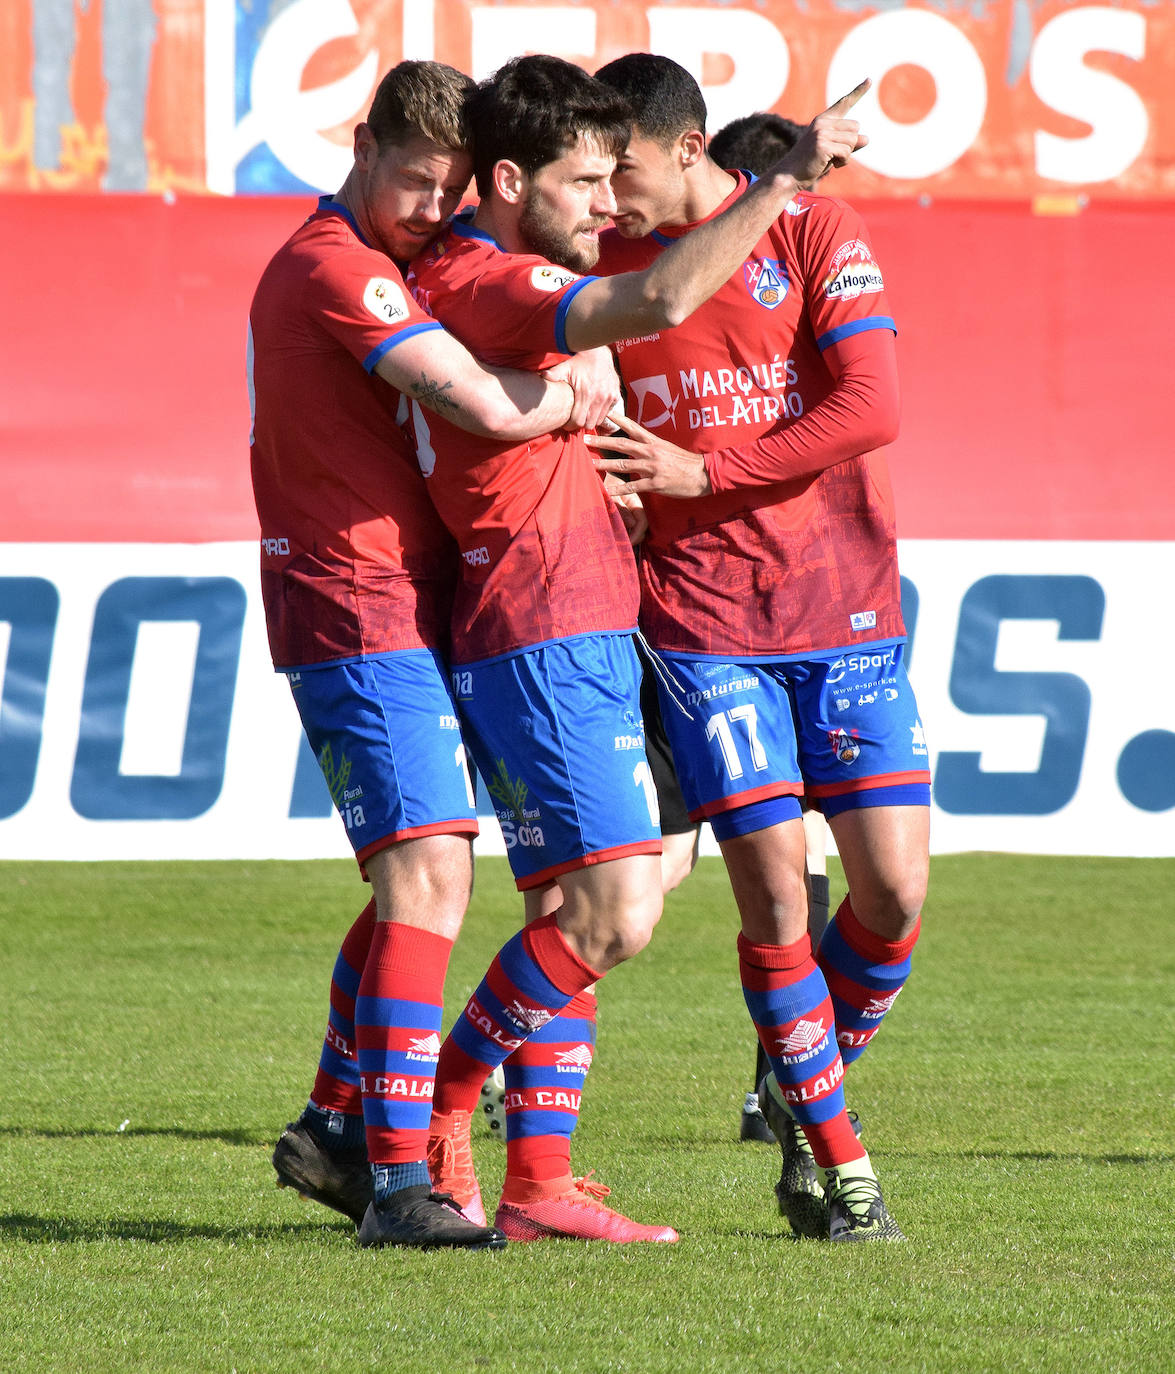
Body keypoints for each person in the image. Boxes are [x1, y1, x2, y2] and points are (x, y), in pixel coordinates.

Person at [403, 54, 869, 1244]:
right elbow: (656, 304)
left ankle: (537, 1185)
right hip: (542, 625)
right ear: (510, 180)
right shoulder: (494, 276)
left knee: (575, 905)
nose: (605, 207)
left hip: (582, 616)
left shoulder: (503, 263)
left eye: (615, 179)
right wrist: (788, 177)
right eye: (582, 182)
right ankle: (429, 1123)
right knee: (616, 913)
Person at [248, 59, 613, 1252]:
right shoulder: (334, 268)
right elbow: (481, 404)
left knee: (417, 878)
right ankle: (402, 1181)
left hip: (401, 598)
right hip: (353, 595)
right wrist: (573, 388)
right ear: (361, 146)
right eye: (412, 181)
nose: (428, 210)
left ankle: (341, 1125)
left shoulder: (397, 258)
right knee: (431, 876)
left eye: (447, 190)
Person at [590, 53, 928, 1242]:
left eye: (617, 163)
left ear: (686, 151)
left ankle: (801, 1081)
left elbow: (871, 406)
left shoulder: (811, 223)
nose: (599, 189)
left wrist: (705, 471)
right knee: (777, 896)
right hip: (700, 623)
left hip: (848, 609)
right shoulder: (598, 271)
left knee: (888, 897)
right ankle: (839, 1172)